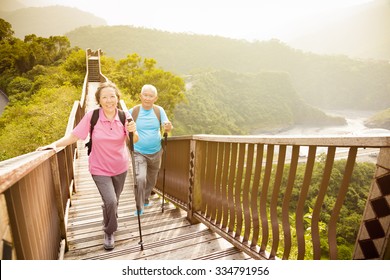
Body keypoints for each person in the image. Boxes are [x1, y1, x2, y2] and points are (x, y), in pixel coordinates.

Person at [37, 81, 138, 251]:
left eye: (112, 96)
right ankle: (109, 231)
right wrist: (54, 145)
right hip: (99, 168)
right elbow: (74, 136)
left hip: (121, 167)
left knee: (114, 201)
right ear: (99, 100)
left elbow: (133, 141)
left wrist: (133, 131)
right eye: (104, 97)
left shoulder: (124, 116)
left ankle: (108, 211)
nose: (109, 100)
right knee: (111, 200)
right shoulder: (93, 116)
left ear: (117, 98)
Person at [129, 84, 173, 216]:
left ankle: (146, 196)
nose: (148, 98)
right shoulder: (133, 111)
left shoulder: (159, 111)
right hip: (138, 151)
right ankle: (140, 204)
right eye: (145, 95)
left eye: (151, 96)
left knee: (152, 179)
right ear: (140, 96)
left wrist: (168, 127)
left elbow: (167, 125)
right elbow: (122, 125)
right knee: (140, 178)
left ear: (155, 98)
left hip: (156, 151)